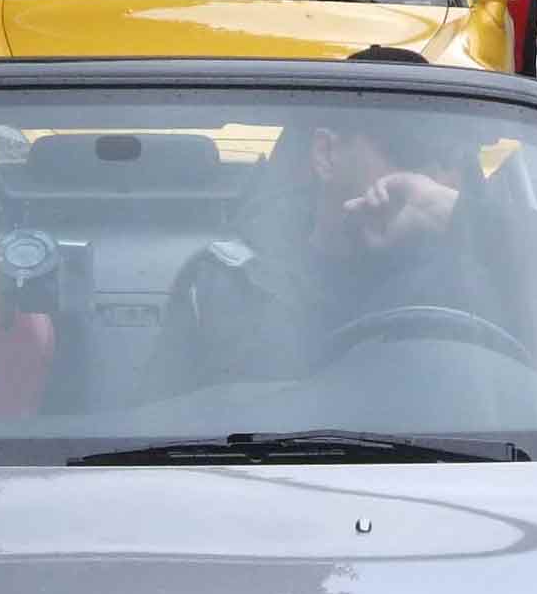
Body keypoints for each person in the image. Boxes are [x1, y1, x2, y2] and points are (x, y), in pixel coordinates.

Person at [152, 111, 493, 388]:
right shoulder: (227, 283)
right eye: (411, 154)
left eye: (455, 160)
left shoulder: (485, 279)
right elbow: (161, 422)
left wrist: (456, 215)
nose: (428, 184)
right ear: (326, 154)